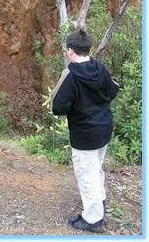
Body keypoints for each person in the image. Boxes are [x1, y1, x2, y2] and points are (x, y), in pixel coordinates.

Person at [51, 29, 119, 233]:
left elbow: (57, 106)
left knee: (86, 175)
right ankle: (100, 201)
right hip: (104, 128)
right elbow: (113, 89)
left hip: (85, 134)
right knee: (95, 168)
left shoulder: (70, 74)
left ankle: (93, 219)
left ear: (70, 51)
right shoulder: (99, 67)